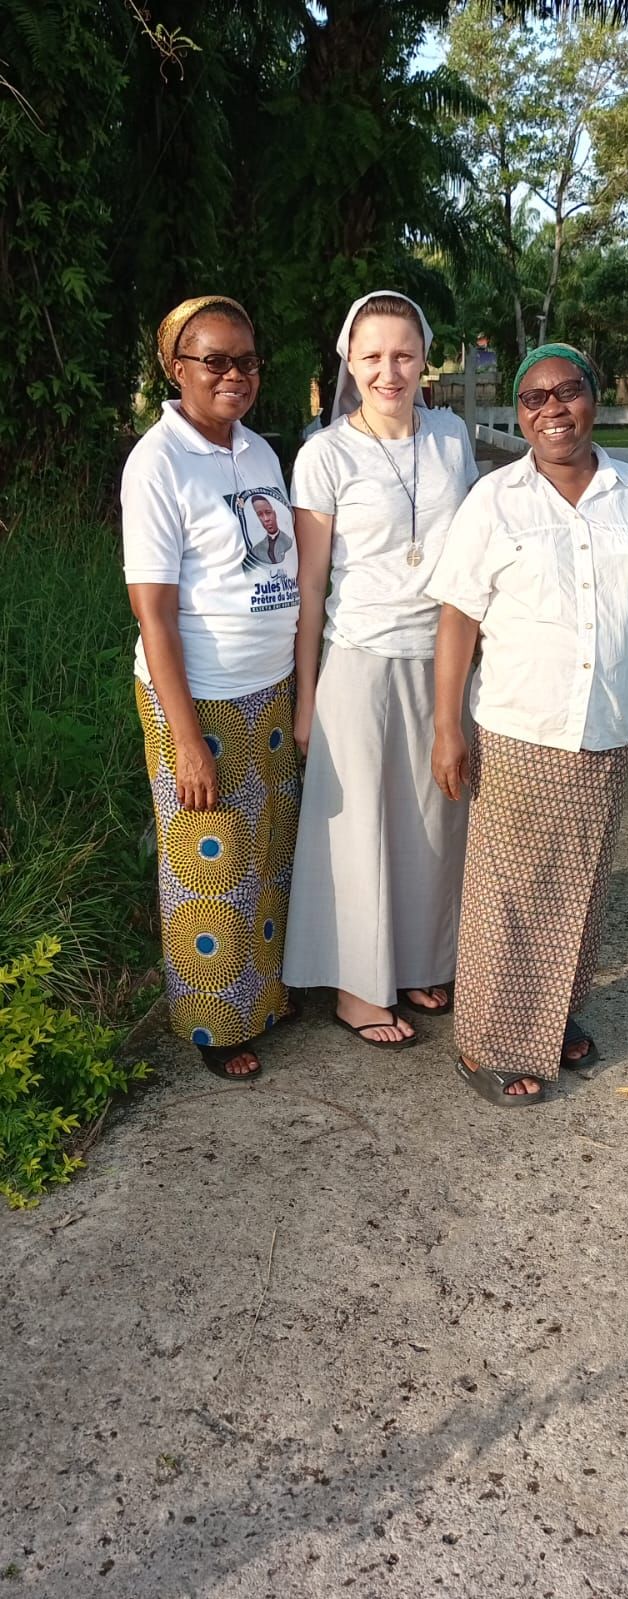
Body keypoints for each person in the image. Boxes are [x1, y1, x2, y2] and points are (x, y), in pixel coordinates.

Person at [428, 342, 628, 1105]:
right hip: (518, 728)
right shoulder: (495, 499)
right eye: (534, 397)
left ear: (594, 399)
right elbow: (458, 618)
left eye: (568, 391)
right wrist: (447, 725)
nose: (553, 407)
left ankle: (550, 1017)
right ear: (520, 416)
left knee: (578, 887)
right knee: (508, 894)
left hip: (604, 729)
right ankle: (487, 1042)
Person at [282, 290, 478, 1048]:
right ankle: (358, 989)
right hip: (360, 660)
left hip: (443, 657)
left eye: (403, 354)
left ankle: (423, 960)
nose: (388, 371)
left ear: (425, 358)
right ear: (349, 361)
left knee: (434, 820)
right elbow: (310, 585)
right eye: (372, 356)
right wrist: (307, 699)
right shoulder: (325, 453)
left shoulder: (451, 438)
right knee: (361, 826)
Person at [121, 295, 300, 1083]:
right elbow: (154, 611)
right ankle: (214, 1022)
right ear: (176, 368)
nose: (235, 375)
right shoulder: (157, 463)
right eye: (215, 360)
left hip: (268, 686)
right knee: (210, 862)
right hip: (199, 696)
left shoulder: (259, 451)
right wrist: (187, 737)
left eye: (247, 361)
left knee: (266, 850)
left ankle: (264, 997)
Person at [251, 494, 293, 564]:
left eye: (268, 512)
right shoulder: (256, 549)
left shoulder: (288, 541)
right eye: (260, 514)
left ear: (274, 514)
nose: (266, 519)